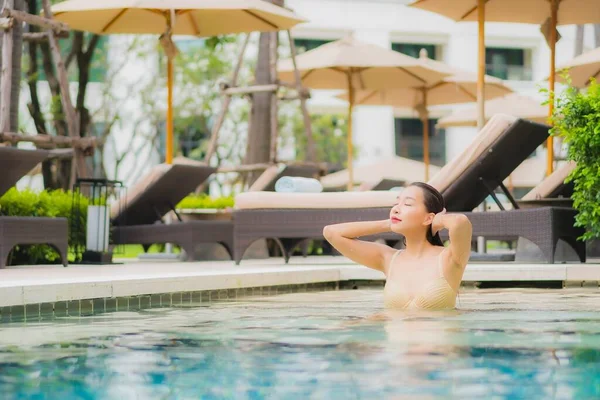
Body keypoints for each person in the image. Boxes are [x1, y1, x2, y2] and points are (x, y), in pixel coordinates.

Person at [323, 182, 472, 310]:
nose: (396, 208)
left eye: (407, 204)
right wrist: (388, 224)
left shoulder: (449, 259)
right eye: (396, 203)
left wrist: (438, 221)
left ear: (428, 218)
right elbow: (331, 233)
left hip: (438, 343)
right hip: (395, 343)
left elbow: (460, 222)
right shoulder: (388, 259)